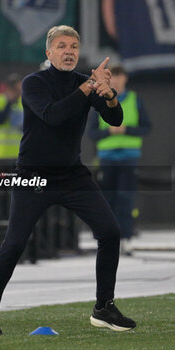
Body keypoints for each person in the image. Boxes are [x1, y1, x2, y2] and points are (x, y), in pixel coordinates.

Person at [0, 25, 136, 335]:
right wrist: (90, 87)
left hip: (72, 175)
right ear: (48, 53)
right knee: (15, 243)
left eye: (73, 46)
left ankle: (104, 307)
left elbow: (115, 119)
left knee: (110, 231)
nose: (68, 51)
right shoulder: (33, 83)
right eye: (61, 46)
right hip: (33, 176)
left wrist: (110, 96)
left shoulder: (83, 83)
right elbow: (53, 115)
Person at [89, 64, 151, 255]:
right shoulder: (99, 100)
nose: (115, 80)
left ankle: (126, 237)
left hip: (128, 158)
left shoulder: (135, 100)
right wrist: (109, 131)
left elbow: (146, 127)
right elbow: (92, 133)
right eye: (112, 76)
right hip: (107, 159)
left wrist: (127, 130)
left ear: (125, 78)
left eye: (119, 76)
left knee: (125, 198)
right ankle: (107, 238)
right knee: (107, 200)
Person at [0, 73, 23, 159]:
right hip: (2, 154)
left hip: (21, 153)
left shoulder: (23, 102)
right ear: (9, 89)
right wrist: (9, 102)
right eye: (16, 89)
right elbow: (0, 120)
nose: (19, 92)